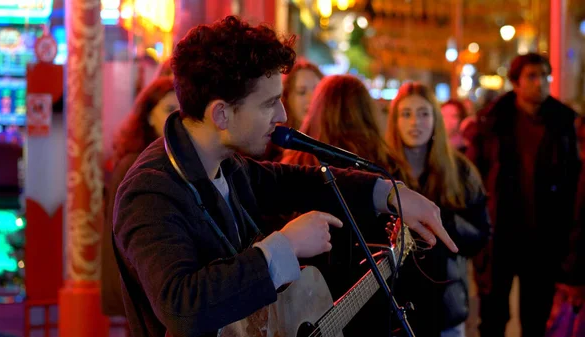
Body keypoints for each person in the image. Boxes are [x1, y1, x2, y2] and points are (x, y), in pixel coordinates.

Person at [112, 16, 458, 337]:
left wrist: (388, 193)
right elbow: (180, 306)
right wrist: (284, 246)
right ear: (221, 114)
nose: (282, 114)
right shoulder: (151, 191)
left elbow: (297, 182)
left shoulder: (226, 163)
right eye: (268, 104)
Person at [466, 52, 582, 337]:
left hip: (543, 239)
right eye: (532, 76)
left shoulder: (563, 123)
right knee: (492, 319)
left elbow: (573, 186)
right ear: (516, 83)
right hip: (500, 236)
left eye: (545, 76)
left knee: (535, 320)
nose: (540, 83)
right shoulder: (492, 122)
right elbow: (475, 180)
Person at [280, 74, 400, 335]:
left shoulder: (293, 164)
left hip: (306, 304)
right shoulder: (381, 164)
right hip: (367, 295)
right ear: (366, 112)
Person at [382, 82, 490, 337]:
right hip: (394, 310)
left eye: (423, 113)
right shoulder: (381, 172)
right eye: (406, 114)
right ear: (395, 120)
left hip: (444, 306)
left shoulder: (459, 170)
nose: (414, 122)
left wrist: (443, 222)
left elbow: (481, 234)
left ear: (435, 119)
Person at [101, 76, 178, 317]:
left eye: (183, 111)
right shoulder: (135, 164)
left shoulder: (166, 160)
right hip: (137, 282)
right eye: (169, 110)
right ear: (148, 115)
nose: (178, 119)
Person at [262, 58, 323, 161]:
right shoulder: (269, 146)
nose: (312, 98)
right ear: (287, 97)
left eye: (317, 90)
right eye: (302, 92)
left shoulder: (330, 140)